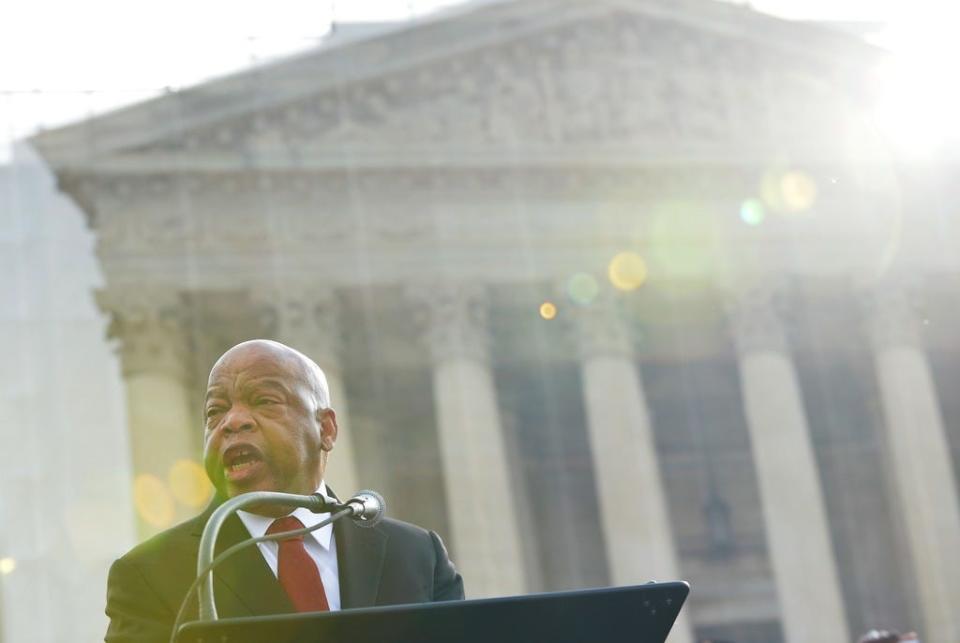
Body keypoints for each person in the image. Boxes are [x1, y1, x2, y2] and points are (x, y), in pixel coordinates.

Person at [104, 339, 464, 643]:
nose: (233, 422)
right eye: (215, 411)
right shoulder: (150, 574)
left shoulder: (418, 557)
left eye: (264, 401)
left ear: (326, 429)